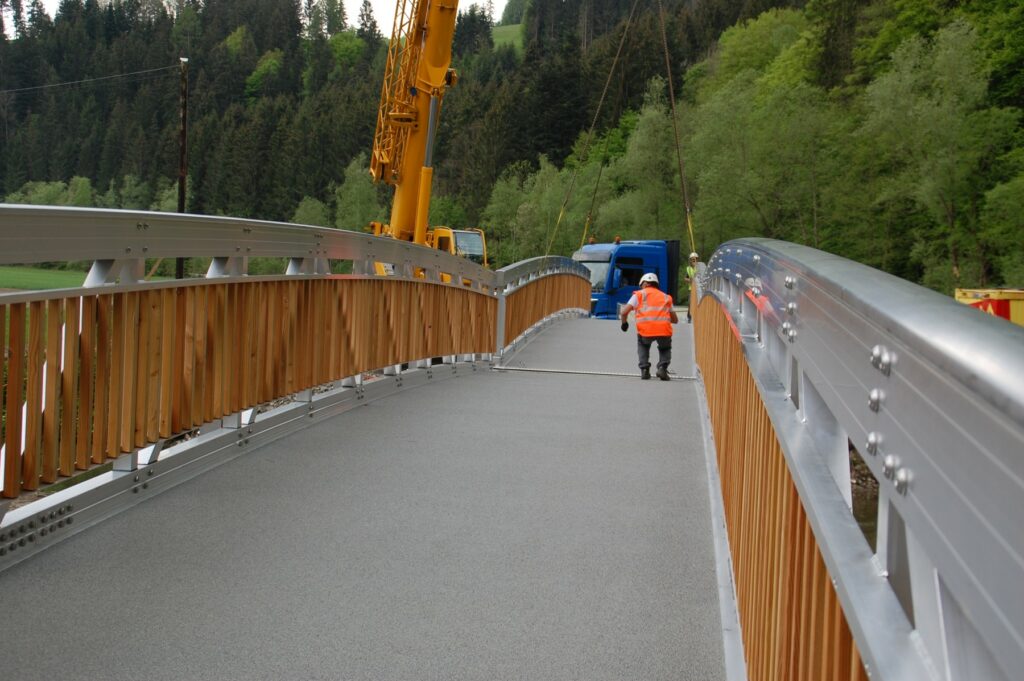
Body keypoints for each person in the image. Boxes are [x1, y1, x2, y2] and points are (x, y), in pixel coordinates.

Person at [619, 272, 678, 380]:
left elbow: (624, 312)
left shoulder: (639, 295)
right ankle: (662, 368)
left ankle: (645, 369)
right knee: (665, 348)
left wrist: (624, 324)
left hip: (646, 331)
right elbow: (675, 320)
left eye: (641, 285)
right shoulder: (666, 297)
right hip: (663, 331)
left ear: (645, 284)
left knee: (643, 345)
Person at [684, 252, 698, 322]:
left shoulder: (699, 267)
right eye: (692, 259)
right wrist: (690, 280)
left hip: (698, 289)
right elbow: (685, 278)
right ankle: (689, 317)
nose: (693, 261)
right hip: (691, 289)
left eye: (694, 259)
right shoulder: (688, 269)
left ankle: (697, 316)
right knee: (690, 303)